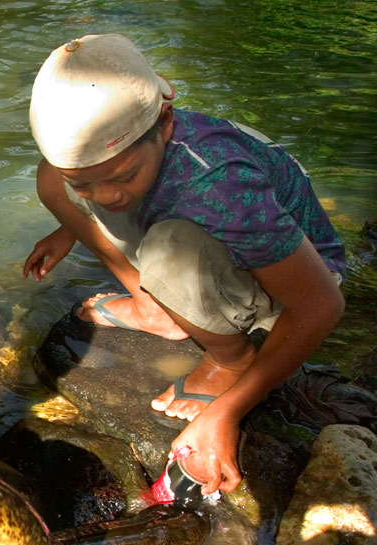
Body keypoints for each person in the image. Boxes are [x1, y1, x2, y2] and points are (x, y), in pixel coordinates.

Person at [22, 34, 346, 497]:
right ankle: (155, 307)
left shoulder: (219, 186)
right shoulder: (122, 159)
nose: (107, 196)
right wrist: (69, 225)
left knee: (167, 250)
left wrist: (227, 412)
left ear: (166, 123)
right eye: (86, 182)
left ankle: (230, 358)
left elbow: (322, 304)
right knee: (51, 183)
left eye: (122, 175)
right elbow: (89, 179)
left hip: (292, 278)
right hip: (202, 235)